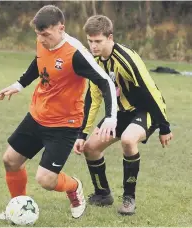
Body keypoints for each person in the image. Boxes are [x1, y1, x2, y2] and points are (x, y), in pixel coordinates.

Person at [0, 6, 117, 221]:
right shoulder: (42, 41)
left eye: (46, 35)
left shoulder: (76, 54)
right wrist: (19, 85)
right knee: (10, 160)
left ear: (61, 28)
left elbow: (105, 81)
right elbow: (38, 62)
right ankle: (17, 207)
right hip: (37, 116)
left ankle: (74, 187)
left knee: (46, 180)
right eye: (38, 35)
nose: (41, 40)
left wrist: (111, 117)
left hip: (63, 125)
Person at [74, 15, 173, 215]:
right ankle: (102, 194)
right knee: (91, 148)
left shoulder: (126, 59)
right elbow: (93, 99)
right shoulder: (94, 61)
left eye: (98, 41)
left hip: (146, 110)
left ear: (110, 37)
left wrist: (164, 126)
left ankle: (129, 199)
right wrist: (82, 134)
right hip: (119, 113)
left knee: (128, 140)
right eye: (90, 41)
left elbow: (150, 92)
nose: (93, 46)